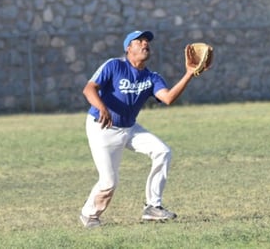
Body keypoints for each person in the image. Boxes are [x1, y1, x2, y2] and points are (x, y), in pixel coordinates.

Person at [80, 30, 200, 228]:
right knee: (109, 182)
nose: (145, 44)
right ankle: (89, 215)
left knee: (163, 151)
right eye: (140, 41)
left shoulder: (151, 77)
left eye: (147, 41)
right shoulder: (114, 65)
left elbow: (168, 98)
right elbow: (89, 88)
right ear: (129, 48)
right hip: (102, 127)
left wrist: (188, 73)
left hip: (129, 128)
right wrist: (102, 107)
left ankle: (153, 206)